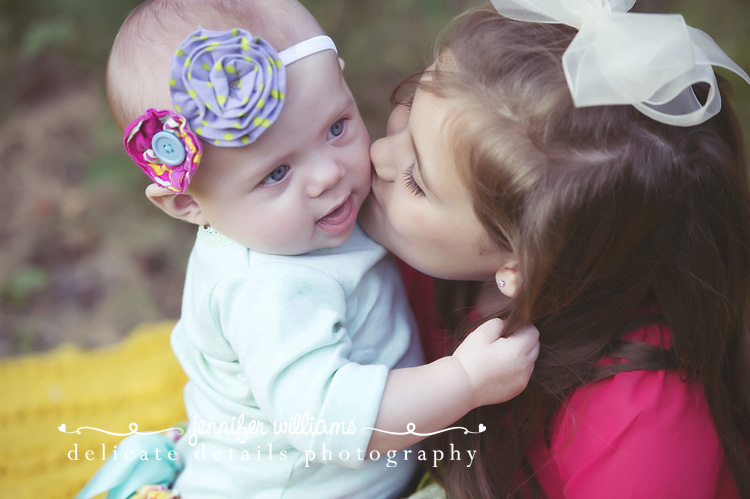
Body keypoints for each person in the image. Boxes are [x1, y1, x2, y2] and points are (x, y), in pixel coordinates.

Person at [76, 1, 540, 498]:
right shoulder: (265, 288)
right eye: (277, 173)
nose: (328, 175)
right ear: (189, 203)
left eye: (336, 127)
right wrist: (464, 381)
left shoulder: (302, 224)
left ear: (340, 81)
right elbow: (330, 422)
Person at [359, 1, 750, 497]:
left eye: (417, 179)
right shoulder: (406, 252)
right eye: (411, 106)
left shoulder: (639, 432)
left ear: (519, 264)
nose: (377, 153)